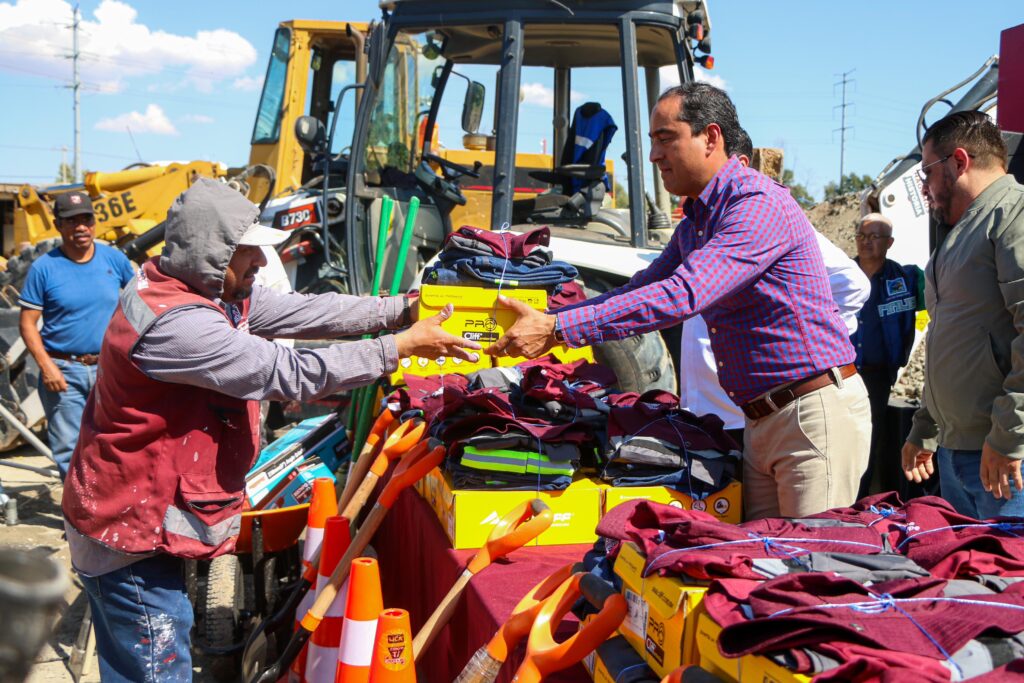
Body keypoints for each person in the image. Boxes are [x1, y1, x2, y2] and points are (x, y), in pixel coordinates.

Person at [60, 178, 480, 681]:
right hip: (125, 531)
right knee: (153, 665)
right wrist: (399, 347)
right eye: (248, 252)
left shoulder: (205, 291)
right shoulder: (175, 324)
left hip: (136, 516)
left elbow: (306, 310)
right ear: (211, 254)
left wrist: (401, 308)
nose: (260, 263)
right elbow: (285, 372)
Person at [489, 82, 871, 520]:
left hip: (809, 417)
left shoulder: (756, 204)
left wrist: (558, 329)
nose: (654, 156)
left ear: (710, 138)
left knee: (807, 569)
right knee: (761, 565)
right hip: (763, 420)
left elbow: (682, 294)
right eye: (653, 141)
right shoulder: (698, 220)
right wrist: (551, 318)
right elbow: (642, 287)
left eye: (665, 139)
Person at [679, 129, 870, 446]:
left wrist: (801, 340)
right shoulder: (697, 227)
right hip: (704, 415)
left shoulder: (768, 218)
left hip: (744, 417)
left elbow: (852, 285)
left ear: (736, 164)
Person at [902, 110, 1024, 518]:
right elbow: (948, 338)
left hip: (1005, 461)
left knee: (1003, 579)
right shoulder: (962, 232)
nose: (925, 188)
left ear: (959, 162)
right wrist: (926, 426)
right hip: (962, 456)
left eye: (927, 173)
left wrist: (1009, 437)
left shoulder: (1013, 215)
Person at [18, 192, 135, 478]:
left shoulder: (113, 259)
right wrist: (46, 367)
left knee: (114, 440)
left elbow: (140, 301)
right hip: (64, 372)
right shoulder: (44, 268)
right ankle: (78, 518)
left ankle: (108, 510)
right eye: (71, 221)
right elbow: (27, 323)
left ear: (95, 223)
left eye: (86, 219)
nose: (80, 227)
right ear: (58, 225)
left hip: (109, 368)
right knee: (70, 448)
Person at [850, 213, 924, 497]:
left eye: (874, 236)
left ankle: (860, 500)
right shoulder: (840, 274)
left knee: (870, 438)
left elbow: (945, 298)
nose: (866, 242)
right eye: (861, 236)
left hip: (876, 377)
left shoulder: (905, 279)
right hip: (838, 374)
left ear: (889, 242)